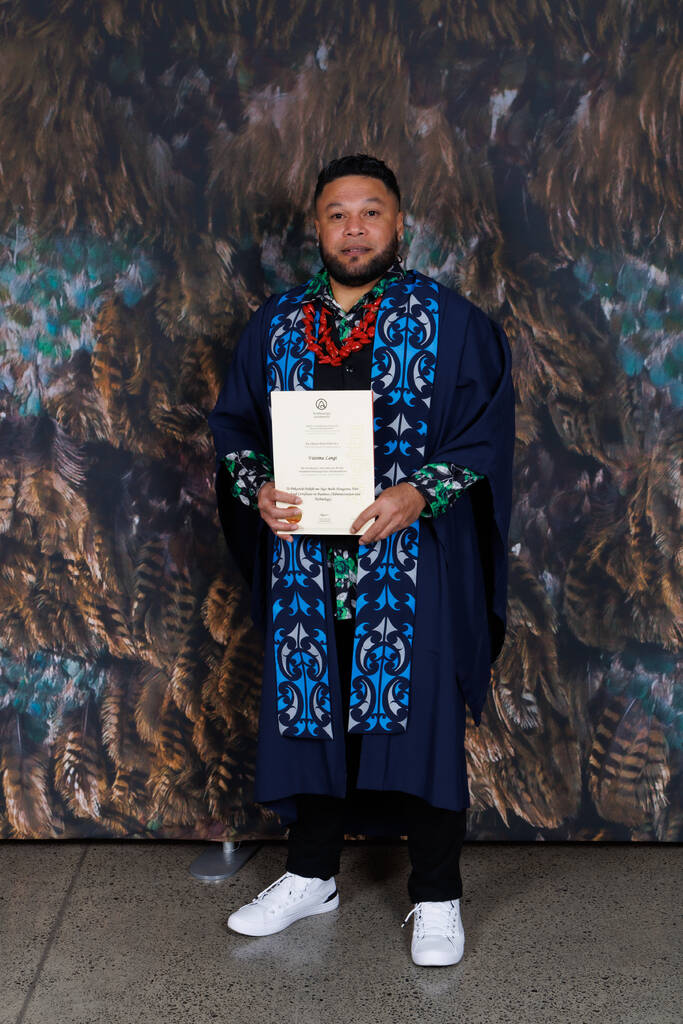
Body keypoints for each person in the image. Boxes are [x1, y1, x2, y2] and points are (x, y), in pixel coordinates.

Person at [208, 153, 515, 967]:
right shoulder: (274, 326)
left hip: (411, 563)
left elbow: (485, 432)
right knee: (308, 712)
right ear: (316, 226)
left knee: (422, 721)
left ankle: (437, 894)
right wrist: (258, 486)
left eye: (370, 212)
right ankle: (312, 874)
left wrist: (423, 491)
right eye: (337, 214)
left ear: (398, 221)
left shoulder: (451, 323)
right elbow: (234, 428)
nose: (354, 228)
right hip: (307, 567)